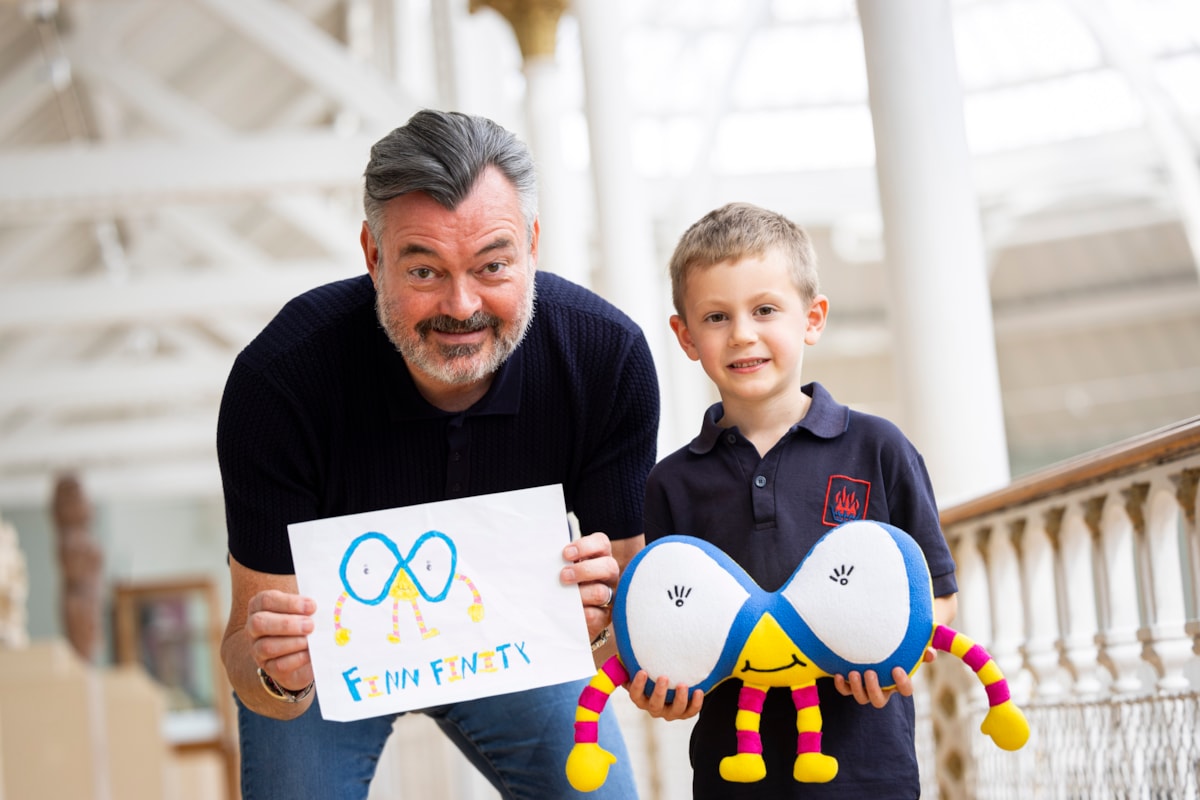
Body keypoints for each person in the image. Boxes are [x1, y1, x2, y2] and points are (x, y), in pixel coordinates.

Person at [216, 109, 659, 800]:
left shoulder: (605, 359)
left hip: (519, 649)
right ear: (372, 255)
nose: (462, 305)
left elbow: (635, 625)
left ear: (533, 246)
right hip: (331, 670)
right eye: (424, 270)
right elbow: (250, 664)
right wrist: (278, 671)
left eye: (493, 266)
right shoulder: (278, 384)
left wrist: (608, 625)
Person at [630, 202, 958, 799]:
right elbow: (671, 622)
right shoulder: (670, 483)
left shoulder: (879, 448)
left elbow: (937, 594)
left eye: (764, 310)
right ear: (685, 336)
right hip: (733, 774)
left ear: (812, 318)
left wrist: (896, 660)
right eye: (716, 316)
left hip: (866, 771)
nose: (743, 334)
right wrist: (663, 690)